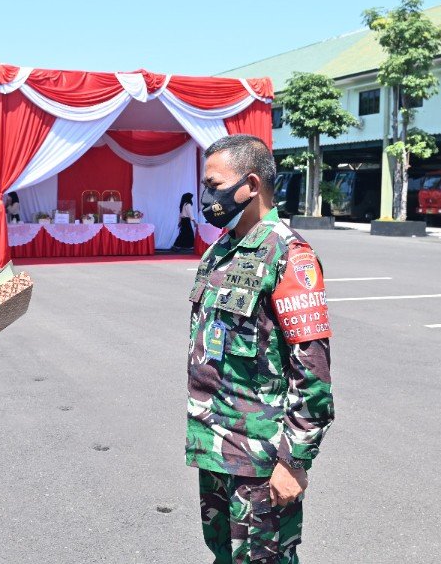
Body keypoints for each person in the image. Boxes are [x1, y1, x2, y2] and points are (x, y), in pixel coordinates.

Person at [187, 134, 334, 563]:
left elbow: (313, 371)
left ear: (250, 185)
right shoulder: (221, 249)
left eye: (214, 185)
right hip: (214, 443)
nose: (207, 195)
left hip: (261, 456)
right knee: (224, 556)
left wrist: (296, 460)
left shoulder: (290, 255)